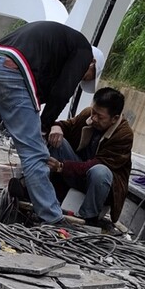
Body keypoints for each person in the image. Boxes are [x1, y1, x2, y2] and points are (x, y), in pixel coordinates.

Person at [0, 20, 104, 224]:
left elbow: (44, 86)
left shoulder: (58, 45)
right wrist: (44, 125)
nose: (82, 78)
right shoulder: (84, 51)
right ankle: (52, 222)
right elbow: (62, 92)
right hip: (14, 69)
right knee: (35, 154)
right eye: (86, 76)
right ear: (92, 63)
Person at [47, 86, 133, 227]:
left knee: (100, 171)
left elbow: (95, 164)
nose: (93, 118)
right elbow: (67, 126)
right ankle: (48, 197)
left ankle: (88, 218)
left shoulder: (124, 134)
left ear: (114, 118)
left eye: (100, 117)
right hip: (78, 172)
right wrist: (56, 127)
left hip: (99, 185)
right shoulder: (88, 115)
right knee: (57, 141)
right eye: (93, 112)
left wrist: (62, 167)